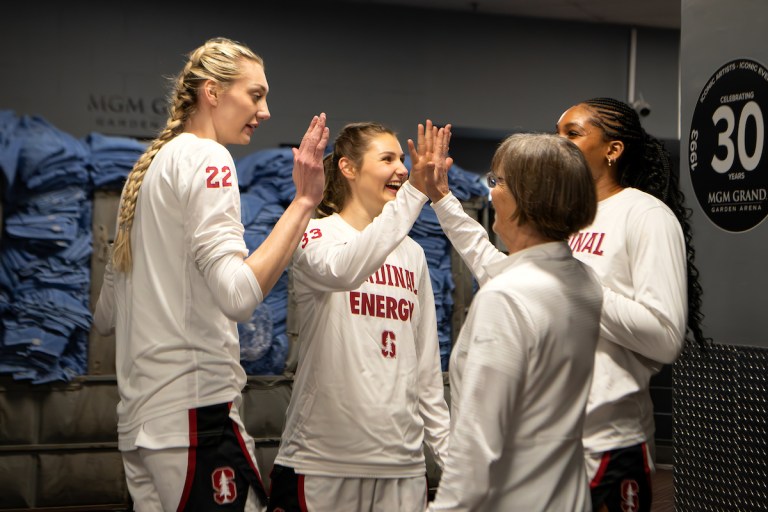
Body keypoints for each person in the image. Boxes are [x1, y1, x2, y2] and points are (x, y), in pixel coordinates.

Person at [92, 37, 329, 512]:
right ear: (212, 92)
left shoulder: (149, 168)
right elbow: (238, 296)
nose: (264, 111)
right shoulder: (208, 158)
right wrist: (303, 203)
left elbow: (105, 316)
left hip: (141, 427)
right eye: (255, 94)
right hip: (193, 418)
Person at [267, 120, 451, 512]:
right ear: (349, 169)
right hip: (323, 461)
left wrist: (451, 460)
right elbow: (345, 270)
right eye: (387, 159)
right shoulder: (316, 235)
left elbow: (426, 369)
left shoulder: (413, 254)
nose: (402, 169)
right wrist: (416, 192)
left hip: (402, 465)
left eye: (403, 159)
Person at [420, 132, 604, 511]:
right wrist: (442, 198)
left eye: (497, 181)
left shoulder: (506, 297)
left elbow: (475, 450)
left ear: (527, 197)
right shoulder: (584, 281)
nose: (490, 193)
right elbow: (493, 262)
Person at [555, 97, 709, 512]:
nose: (560, 144)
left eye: (573, 133)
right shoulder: (563, 220)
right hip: (551, 438)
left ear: (613, 149)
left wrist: (578, 285)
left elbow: (663, 337)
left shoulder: (645, 215)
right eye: (557, 134)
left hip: (610, 442)